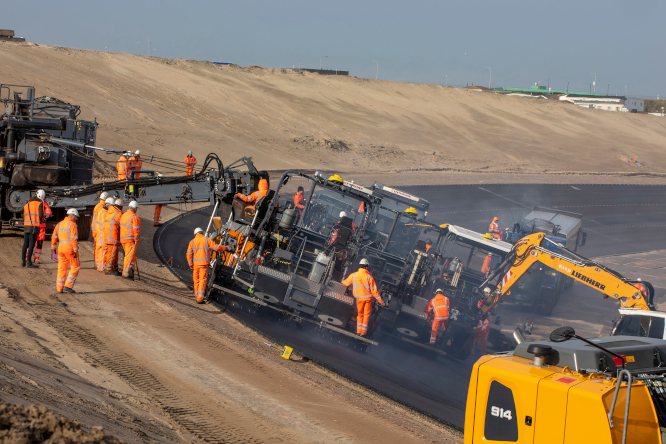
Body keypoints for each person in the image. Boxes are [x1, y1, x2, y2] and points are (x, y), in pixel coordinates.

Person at [341, 259, 384, 336]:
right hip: (368, 300)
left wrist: (341, 282)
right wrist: (381, 301)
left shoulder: (354, 275)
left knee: (360, 314)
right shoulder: (369, 278)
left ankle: (358, 331)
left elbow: (346, 283)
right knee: (366, 315)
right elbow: (374, 292)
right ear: (367, 267)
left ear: (360, 266)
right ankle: (363, 332)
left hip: (359, 299)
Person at [186, 227, 230, 303]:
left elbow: (189, 254)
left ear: (195, 234)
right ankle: (200, 299)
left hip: (195, 265)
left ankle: (197, 295)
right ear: (202, 233)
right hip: (203, 265)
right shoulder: (206, 240)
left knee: (196, 280)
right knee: (202, 280)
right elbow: (216, 248)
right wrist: (225, 247)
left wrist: (190, 264)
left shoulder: (192, 242)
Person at [51, 209, 80, 293]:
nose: (77, 218)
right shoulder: (72, 224)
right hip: (70, 249)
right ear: (72, 215)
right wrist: (75, 251)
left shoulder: (59, 224)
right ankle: (68, 285)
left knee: (61, 269)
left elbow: (54, 237)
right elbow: (74, 239)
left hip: (60, 249)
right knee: (75, 267)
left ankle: (59, 289)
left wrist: (53, 249)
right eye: (76, 217)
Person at [28, 189, 52, 265]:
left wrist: (47, 214)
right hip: (33, 225)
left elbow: (49, 211)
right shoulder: (31, 203)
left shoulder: (44, 204)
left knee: (39, 243)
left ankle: (36, 258)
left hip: (41, 227)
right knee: (30, 243)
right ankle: (27, 258)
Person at [22, 191, 45, 268]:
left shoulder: (26, 205)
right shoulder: (39, 204)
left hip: (26, 226)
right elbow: (41, 215)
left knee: (25, 244)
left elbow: (24, 215)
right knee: (31, 245)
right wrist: (43, 219)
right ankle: (28, 262)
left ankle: (23, 262)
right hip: (34, 227)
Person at [120, 201, 141, 279]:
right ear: (135, 208)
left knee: (130, 256)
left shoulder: (124, 215)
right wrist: (136, 239)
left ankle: (130, 269)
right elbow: (136, 230)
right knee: (128, 257)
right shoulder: (134, 217)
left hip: (123, 239)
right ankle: (125, 273)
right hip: (130, 240)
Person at [103, 198, 124, 275]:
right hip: (113, 237)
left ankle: (114, 269)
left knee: (112, 253)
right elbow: (122, 226)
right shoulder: (118, 214)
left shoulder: (110, 211)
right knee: (111, 254)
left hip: (109, 236)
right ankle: (108, 270)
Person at [91, 192, 109, 271]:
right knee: (100, 248)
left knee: (97, 247)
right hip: (98, 229)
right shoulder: (102, 207)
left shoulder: (97, 206)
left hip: (95, 228)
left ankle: (96, 264)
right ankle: (99, 265)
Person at [96, 197, 114, 272]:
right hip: (103, 236)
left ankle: (100, 266)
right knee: (103, 252)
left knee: (101, 252)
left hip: (100, 236)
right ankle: (102, 267)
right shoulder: (104, 213)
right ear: (108, 205)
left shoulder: (101, 211)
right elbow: (105, 226)